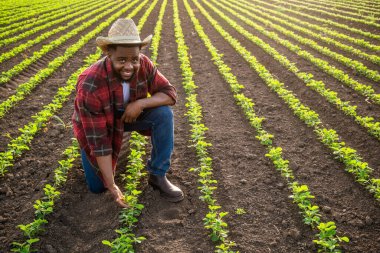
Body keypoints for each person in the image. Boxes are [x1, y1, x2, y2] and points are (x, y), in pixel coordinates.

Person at [72, 18, 184, 207]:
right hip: (100, 125)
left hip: (131, 115)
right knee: (98, 187)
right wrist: (112, 185)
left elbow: (170, 94)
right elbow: (99, 142)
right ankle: (93, 160)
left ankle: (158, 174)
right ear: (108, 54)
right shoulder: (91, 84)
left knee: (163, 114)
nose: (129, 66)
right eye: (121, 60)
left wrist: (140, 103)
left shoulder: (144, 64)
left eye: (134, 59)